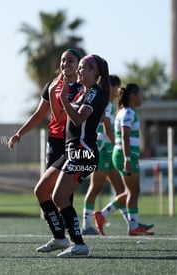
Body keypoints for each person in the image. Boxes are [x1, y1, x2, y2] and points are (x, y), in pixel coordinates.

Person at [34, 54, 109, 257]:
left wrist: (65, 99)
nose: (79, 70)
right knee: (41, 190)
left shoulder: (95, 93)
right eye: (80, 67)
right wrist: (54, 95)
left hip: (83, 153)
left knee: (60, 196)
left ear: (96, 73)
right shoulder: (81, 93)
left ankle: (79, 243)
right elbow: (60, 117)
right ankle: (59, 238)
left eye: (84, 67)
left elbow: (76, 120)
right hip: (69, 152)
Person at [93, 84, 154, 236]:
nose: (142, 97)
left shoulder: (124, 112)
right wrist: (127, 158)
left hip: (124, 154)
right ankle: (133, 227)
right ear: (132, 95)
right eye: (140, 94)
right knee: (133, 191)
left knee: (131, 191)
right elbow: (125, 137)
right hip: (125, 155)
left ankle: (104, 215)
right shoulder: (127, 113)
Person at [8, 48, 83, 170]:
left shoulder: (83, 88)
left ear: (79, 64)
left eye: (70, 60)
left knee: (65, 185)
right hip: (55, 139)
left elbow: (63, 117)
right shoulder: (51, 85)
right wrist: (19, 133)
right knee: (47, 185)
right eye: (63, 60)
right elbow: (39, 114)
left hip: (74, 140)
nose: (65, 64)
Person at [81, 75, 124, 234]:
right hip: (103, 150)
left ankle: (132, 224)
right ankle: (86, 225)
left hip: (110, 151)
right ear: (111, 87)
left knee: (121, 190)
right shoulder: (104, 102)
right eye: (117, 86)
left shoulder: (112, 104)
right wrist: (117, 145)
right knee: (95, 187)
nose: (119, 89)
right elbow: (104, 126)